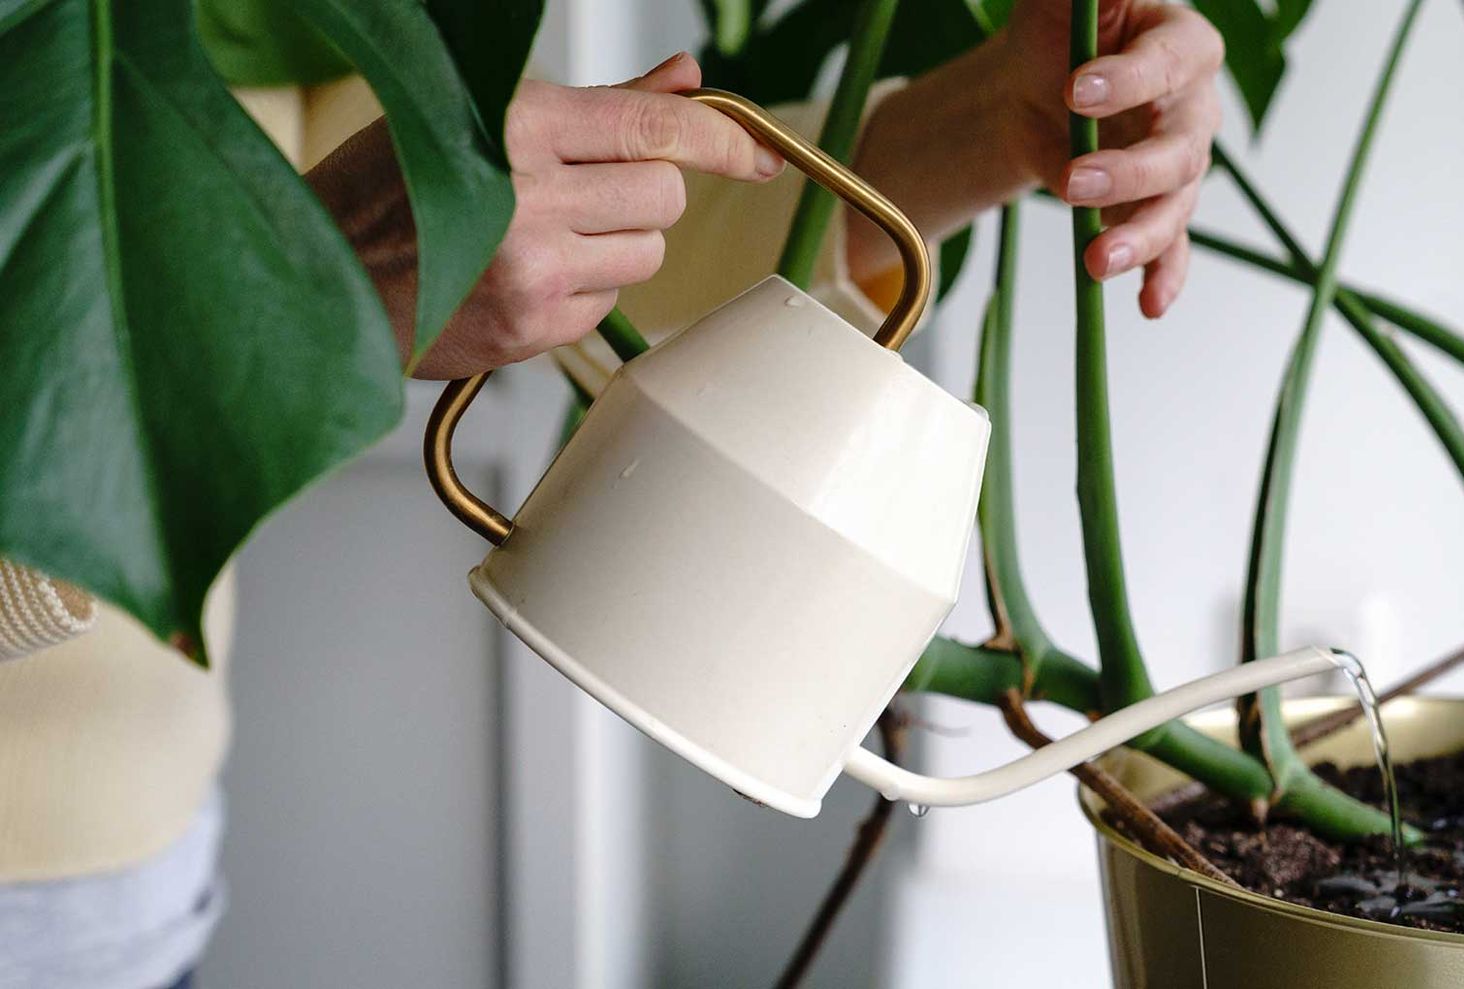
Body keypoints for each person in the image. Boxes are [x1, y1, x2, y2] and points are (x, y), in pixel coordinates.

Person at [0, 2, 1224, 986]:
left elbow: (502, 223)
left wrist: (987, 124)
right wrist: (278, 309)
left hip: (128, 877)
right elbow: (319, 260)